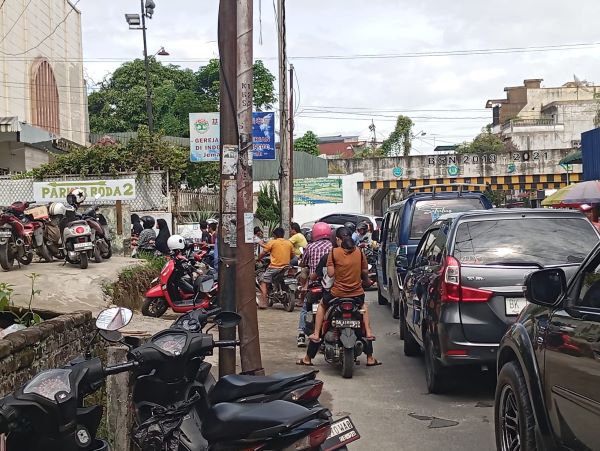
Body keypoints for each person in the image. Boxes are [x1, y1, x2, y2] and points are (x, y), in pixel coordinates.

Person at [297, 226, 380, 366]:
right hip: (357, 295)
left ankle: (315, 336)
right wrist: (366, 281)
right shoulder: (360, 252)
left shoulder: (333, 252)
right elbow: (365, 273)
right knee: (363, 307)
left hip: (337, 294)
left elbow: (329, 274)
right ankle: (370, 356)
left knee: (322, 306)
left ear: (337, 239)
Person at [296, 222, 332, 347]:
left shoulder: (310, 247)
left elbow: (303, 264)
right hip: (329, 285)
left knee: (306, 308)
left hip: (314, 284)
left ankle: (301, 334)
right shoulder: (333, 247)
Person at [257, 227, 294, 309]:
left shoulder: (272, 242)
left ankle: (263, 302)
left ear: (275, 235)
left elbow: (263, 253)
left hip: (274, 267)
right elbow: (292, 256)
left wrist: (257, 259)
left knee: (263, 281)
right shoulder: (289, 243)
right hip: (286, 267)